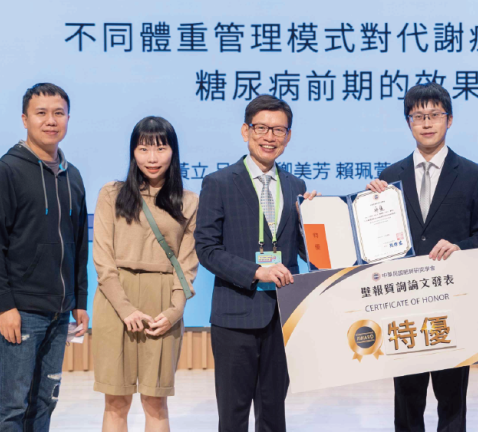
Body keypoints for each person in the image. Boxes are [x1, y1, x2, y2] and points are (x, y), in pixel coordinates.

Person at [366, 82, 478, 432]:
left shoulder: (473, 175)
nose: (426, 123)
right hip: (403, 306)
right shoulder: (389, 178)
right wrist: (370, 205)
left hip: (452, 304)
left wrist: (460, 248)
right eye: (418, 116)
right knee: (407, 402)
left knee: (452, 401)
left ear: (449, 120)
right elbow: (376, 244)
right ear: (408, 122)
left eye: (434, 115)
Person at [195, 94, 317, 431]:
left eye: (279, 130)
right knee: (233, 415)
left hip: (283, 314)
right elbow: (206, 248)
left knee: (274, 412)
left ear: (288, 136)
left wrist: (315, 220)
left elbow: (307, 251)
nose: (269, 137)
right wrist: (256, 271)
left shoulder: (295, 185)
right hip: (235, 314)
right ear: (245, 131)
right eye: (261, 128)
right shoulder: (219, 183)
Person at [0, 83, 89, 431]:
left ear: (68, 118)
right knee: (12, 404)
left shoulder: (73, 176)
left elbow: (78, 244)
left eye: (58, 113)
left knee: (44, 401)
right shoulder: (5, 171)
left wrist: (80, 300)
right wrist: (3, 306)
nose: (51, 121)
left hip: (60, 313)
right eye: (41, 113)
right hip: (21, 312)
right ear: (25, 119)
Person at [91, 116, 198, 432]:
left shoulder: (189, 201)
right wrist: (125, 309)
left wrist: (175, 310)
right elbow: (103, 260)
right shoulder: (111, 194)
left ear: (173, 152)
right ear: (133, 152)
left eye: (161, 149)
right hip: (115, 301)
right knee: (116, 401)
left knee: (155, 402)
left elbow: (187, 264)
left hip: (163, 301)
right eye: (144, 149)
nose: (152, 158)